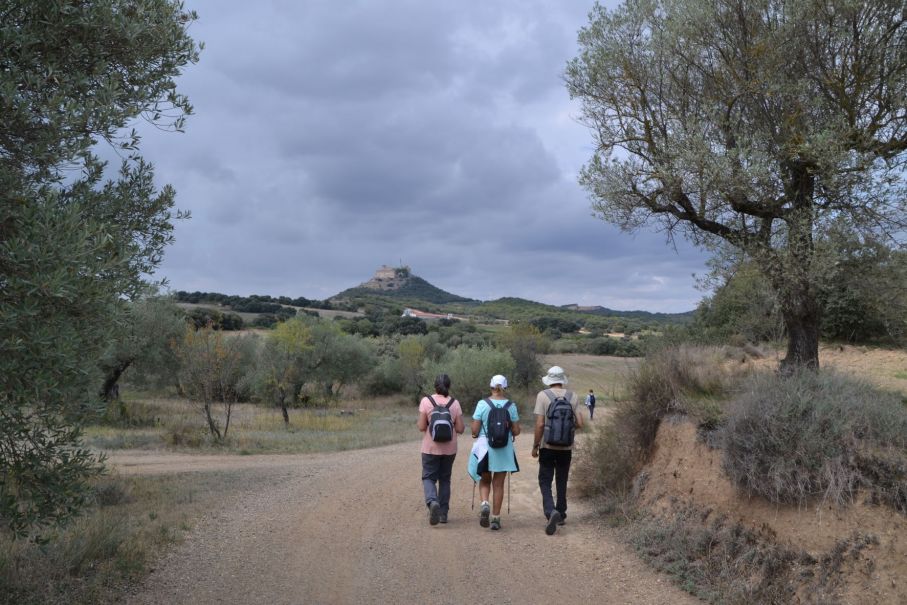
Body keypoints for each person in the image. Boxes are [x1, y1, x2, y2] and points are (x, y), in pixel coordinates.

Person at [532, 365, 584, 535]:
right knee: (561, 479)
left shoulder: (543, 396)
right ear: (562, 380)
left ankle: (550, 511)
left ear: (549, 380)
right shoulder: (573, 396)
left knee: (545, 480)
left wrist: (535, 445)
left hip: (547, 446)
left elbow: (540, 424)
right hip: (566, 447)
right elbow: (580, 423)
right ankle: (561, 513)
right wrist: (567, 429)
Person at [470, 374, 520, 531]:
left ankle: (485, 504)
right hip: (504, 449)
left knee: (484, 480)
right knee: (498, 484)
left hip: (485, 448)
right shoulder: (511, 406)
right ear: (505, 388)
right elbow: (516, 431)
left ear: (491, 386)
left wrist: (474, 434)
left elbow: (475, 430)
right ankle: (496, 519)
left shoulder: (482, 404)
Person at [417, 374, 465, 526]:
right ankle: (443, 514)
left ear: (435, 386)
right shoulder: (454, 403)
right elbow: (460, 428)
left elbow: (421, 427)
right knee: (445, 479)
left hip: (430, 448)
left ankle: (432, 502)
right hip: (449, 449)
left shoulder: (426, 401)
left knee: (429, 477)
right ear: (449, 386)